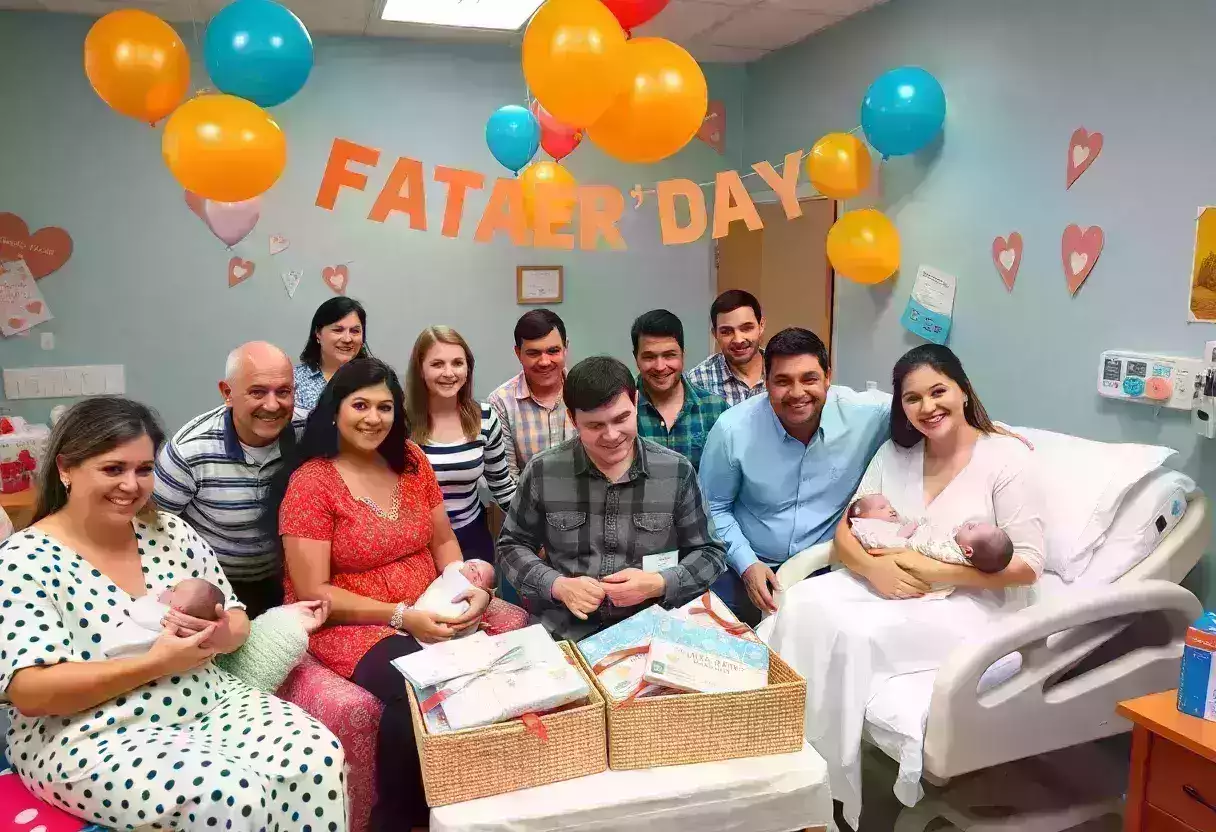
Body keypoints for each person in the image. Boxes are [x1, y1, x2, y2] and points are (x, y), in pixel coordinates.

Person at [0, 396, 345, 832]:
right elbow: (30, 692)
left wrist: (217, 634)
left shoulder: (172, 532)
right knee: (230, 796)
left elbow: (237, 618)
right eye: (113, 468)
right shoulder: (25, 560)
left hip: (208, 702)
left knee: (316, 755)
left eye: (144, 469)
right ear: (66, 469)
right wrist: (156, 664)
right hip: (88, 732)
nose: (132, 484)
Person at [764, 344, 1045, 828]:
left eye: (939, 391)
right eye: (912, 398)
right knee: (804, 600)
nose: (927, 407)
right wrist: (874, 571)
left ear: (962, 389)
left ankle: (833, 789)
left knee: (853, 634)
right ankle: (786, 766)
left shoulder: (1005, 459)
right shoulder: (896, 453)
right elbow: (845, 529)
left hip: (973, 605)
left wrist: (934, 572)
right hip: (887, 583)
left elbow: (1030, 565)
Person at [268, 357, 491, 831]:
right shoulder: (312, 483)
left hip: (427, 602)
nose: (373, 418)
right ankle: (400, 819)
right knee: (417, 685)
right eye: (360, 405)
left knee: (492, 667)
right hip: (350, 621)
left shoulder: (411, 460)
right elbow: (312, 590)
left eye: (385, 407)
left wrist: (463, 585)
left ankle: (474, 803)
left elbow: (444, 539)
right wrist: (400, 616)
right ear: (335, 411)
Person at [497, 356, 727, 642]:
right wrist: (557, 585)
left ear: (636, 401)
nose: (612, 435)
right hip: (565, 632)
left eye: (622, 418)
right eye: (595, 426)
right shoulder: (544, 471)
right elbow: (511, 546)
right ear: (572, 419)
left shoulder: (675, 471)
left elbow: (710, 554)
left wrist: (658, 583)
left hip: (652, 631)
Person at [698, 327, 890, 624]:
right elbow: (714, 507)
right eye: (783, 381)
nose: (798, 393)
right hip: (747, 562)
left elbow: (923, 405)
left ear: (828, 376)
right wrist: (747, 565)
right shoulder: (732, 430)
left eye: (809, 379)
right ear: (766, 382)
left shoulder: (867, 414)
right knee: (713, 639)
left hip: (825, 566)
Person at [154, 342, 305, 618]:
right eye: (257, 392)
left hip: (289, 584)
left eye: (283, 392)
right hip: (214, 591)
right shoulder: (189, 451)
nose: (272, 405)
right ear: (227, 393)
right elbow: (151, 529)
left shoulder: (307, 432)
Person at [405, 326, 515, 562]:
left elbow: (502, 486)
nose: (449, 372)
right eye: (437, 364)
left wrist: (539, 528)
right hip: (415, 543)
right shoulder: (400, 422)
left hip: (471, 537)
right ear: (420, 370)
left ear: (468, 368)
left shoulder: (485, 418)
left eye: (457, 363)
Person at [630, 309, 728, 470]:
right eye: (649, 357)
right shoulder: (620, 411)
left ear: (683, 354)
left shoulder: (715, 409)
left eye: (669, 355)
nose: (660, 367)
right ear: (636, 358)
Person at [488, 309, 576, 479]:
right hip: (526, 503)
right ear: (518, 353)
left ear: (566, 348)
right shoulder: (501, 402)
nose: (544, 362)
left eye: (553, 351)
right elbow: (508, 478)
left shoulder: (587, 390)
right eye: (533, 353)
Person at [847, 494, 1014, 575]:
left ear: (967, 551)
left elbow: (917, 545)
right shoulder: (959, 547)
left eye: (971, 528)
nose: (970, 523)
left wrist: (914, 528)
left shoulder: (945, 552)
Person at [687, 289, 767, 407]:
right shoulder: (697, 382)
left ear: (761, 326)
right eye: (726, 332)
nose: (738, 340)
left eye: (746, 328)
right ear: (715, 334)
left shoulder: (782, 370)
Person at [294, 297, 370, 411]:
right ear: (318, 333)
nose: (347, 339)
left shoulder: (374, 380)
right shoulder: (294, 380)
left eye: (355, 331)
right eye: (338, 330)